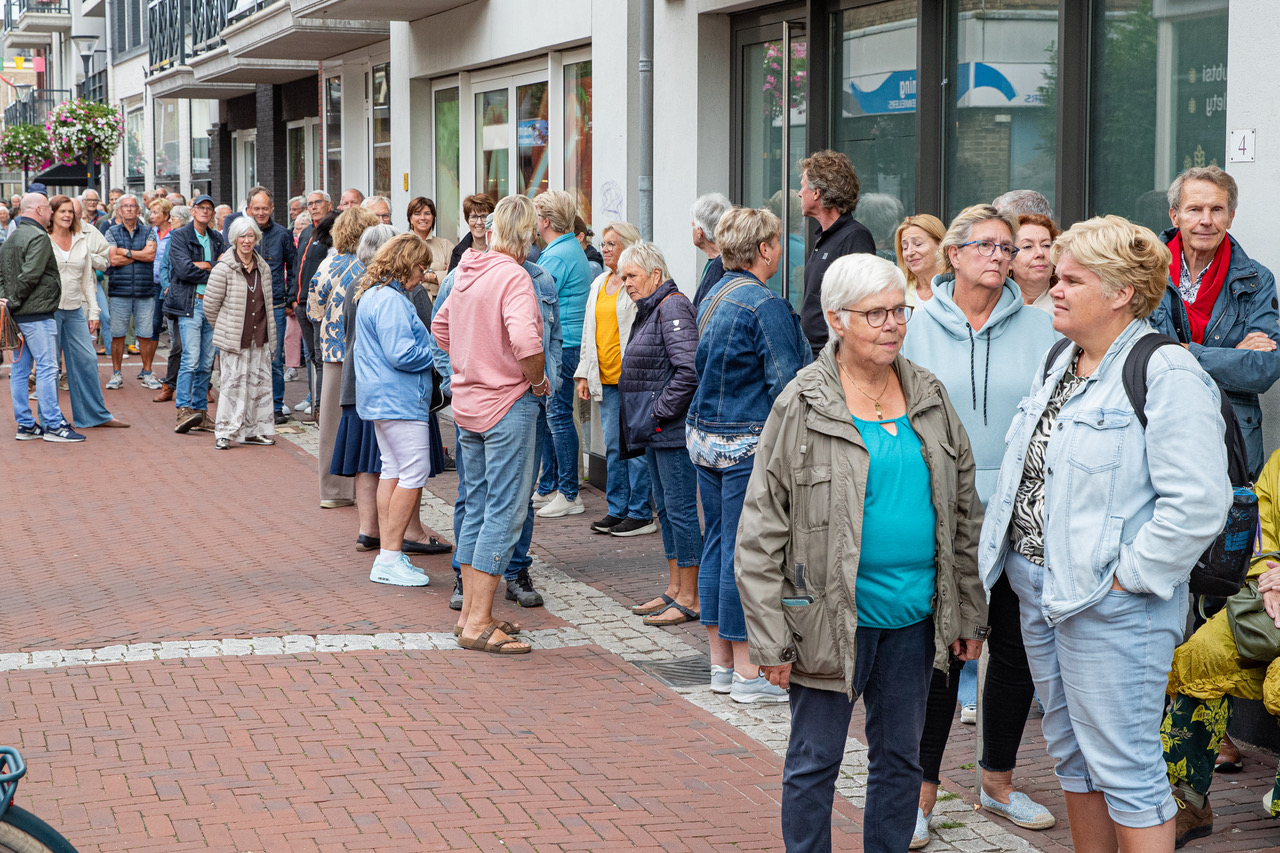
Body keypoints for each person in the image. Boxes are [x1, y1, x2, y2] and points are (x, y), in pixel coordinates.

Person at [980, 215, 1232, 851]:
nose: (1054, 289)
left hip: (1113, 606)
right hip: (1040, 591)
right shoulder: (1060, 359)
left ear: (1121, 292)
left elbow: (1199, 502)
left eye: (1072, 280)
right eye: (1056, 277)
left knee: (1126, 766)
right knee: (1071, 753)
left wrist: (1128, 578)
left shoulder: (1166, 372)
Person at [736, 251, 984, 853]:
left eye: (899, 310)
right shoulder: (802, 403)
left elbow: (963, 512)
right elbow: (761, 528)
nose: (892, 324)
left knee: (900, 759)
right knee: (814, 760)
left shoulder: (928, 394)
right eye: (875, 313)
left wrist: (968, 613)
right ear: (836, 319)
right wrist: (770, 638)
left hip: (913, 616)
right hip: (826, 619)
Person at [900, 204, 1058, 845]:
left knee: (1014, 650)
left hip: (1021, 514)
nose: (999, 256)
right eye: (985, 245)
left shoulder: (1045, 329)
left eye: (1006, 247)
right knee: (945, 652)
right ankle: (919, 796)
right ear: (954, 254)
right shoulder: (914, 328)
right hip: (943, 513)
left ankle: (998, 782)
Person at [687, 206, 811, 702]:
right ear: (763, 249)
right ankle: (748, 674)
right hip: (745, 441)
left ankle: (722, 666)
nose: (780, 249)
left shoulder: (714, 292)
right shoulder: (764, 304)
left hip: (707, 436)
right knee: (746, 553)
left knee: (718, 544)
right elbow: (787, 384)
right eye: (777, 242)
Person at [432, 195, 549, 655]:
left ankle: (469, 614)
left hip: (468, 405)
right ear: (527, 234)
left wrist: (470, 362)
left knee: (478, 506)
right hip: (506, 404)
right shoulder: (514, 276)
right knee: (505, 510)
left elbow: (440, 328)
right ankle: (478, 621)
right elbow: (526, 341)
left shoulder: (467, 268)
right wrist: (536, 381)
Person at [1162, 448, 1280, 846]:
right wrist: (1267, 577)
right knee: (1201, 656)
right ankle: (1189, 800)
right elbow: (1261, 532)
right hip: (1273, 597)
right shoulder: (1279, 461)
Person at [1151, 165, 1280, 479]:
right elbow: (1135, 356)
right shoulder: (1145, 273)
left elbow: (1265, 368)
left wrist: (1185, 352)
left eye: (1217, 210)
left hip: (1230, 442)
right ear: (1175, 216)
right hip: (1157, 429)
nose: (1206, 220)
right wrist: (1231, 355)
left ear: (1230, 217)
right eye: (1194, 209)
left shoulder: (1257, 280)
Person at [333, 223, 444, 557]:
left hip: (380, 397)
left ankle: (388, 550)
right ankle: (392, 553)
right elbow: (402, 354)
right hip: (400, 399)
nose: (423, 274)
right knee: (413, 472)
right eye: (421, 267)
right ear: (406, 263)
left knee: (391, 470)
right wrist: (438, 352)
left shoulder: (369, 292)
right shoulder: (392, 299)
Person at [616, 242, 702, 627]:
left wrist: (657, 413)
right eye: (623, 277)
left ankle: (691, 597)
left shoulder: (673, 307)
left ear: (655, 274)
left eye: (632, 276)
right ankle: (674, 589)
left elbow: (689, 370)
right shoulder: (652, 308)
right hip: (655, 431)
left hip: (670, 432)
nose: (626, 284)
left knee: (680, 511)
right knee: (666, 510)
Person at [572, 220, 652, 535]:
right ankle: (617, 509)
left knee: (636, 447)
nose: (604, 249)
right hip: (604, 380)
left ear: (628, 246)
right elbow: (587, 332)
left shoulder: (638, 284)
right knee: (614, 447)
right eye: (603, 244)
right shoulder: (599, 283)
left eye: (611, 244)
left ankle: (640, 512)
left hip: (633, 381)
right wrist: (583, 374)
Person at [1, 193, 85, 442]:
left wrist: (7, 303)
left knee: (20, 369)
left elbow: (4, 276)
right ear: (39, 210)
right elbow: (31, 275)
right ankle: (53, 424)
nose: (51, 212)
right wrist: (13, 301)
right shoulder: (38, 236)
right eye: (48, 208)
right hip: (36, 313)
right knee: (48, 367)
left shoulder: (12, 237)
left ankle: (26, 424)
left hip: (17, 315)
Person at [310, 207, 376, 508]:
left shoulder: (328, 264)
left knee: (331, 423)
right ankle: (365, 485)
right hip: (366, 350)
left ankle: (333, 491)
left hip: (334, 349)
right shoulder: (370, 266)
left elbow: (313, 309)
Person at [533, 189, 593, 519]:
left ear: (544, 221)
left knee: (557, 417)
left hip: (563, 345)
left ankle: (569, 493)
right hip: (566, 343)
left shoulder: (556, 256)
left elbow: (536, 301)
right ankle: (549, 486)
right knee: (553, 416)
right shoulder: (567, 248)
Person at [44, 195, 127, 432]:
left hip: (75, 309)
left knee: (88, 360)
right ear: (52, 214)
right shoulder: (43, 240)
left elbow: (87, 280)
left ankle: (94, 415)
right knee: (50, 365)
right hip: (49, 310)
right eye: (62, 211)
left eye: (70, 212)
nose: (67, 215)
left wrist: (94, 311)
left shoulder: (81, 239)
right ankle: (51, 420)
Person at [202, 216, 278, 449]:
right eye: (242, 236)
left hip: (260, 335)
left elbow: (268, 304)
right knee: (232, 387)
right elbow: (210, 306)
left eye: (251, 236)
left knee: (259, 386)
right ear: (234, 239)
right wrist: (225, 329)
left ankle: (256, 431)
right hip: (235, 337)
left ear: (256, 238)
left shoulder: (263, 268)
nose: (247, 241)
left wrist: (272, 339)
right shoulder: (224, 268)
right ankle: (225, 432)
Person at [225, 186, 297, 425]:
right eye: (256, 208)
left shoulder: (283, 234)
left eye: (265, 208)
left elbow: (293, 267)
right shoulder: (240, 233)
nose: (261, 212)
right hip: (244, 306)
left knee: (274, 359)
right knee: (246, 357)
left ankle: (275, 407)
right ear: (248, 208)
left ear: (272, 208)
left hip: (275, 305)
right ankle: (248, 407)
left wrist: (290, 297)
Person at [798, 149, 876, 357]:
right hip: (813, 356)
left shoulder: (855, 237)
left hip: (834, 357)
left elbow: (861, 303)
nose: (799, 193)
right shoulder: (824, 237)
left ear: (816, 192)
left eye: (802, 186)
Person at [165, 194, 228, 435]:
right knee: (190, 358)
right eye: (200, 207)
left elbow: (226, 268)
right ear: (192, 211)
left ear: (213, 214)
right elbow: (183, 270)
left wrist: (203, 264)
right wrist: (213, 265)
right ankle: (183, 409)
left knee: (206, 362)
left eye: (209, 208)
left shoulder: (217, 238)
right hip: (190, 304)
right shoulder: (180, 235)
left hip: (213, 304)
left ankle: (200, 412)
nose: (205, 211)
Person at [103, 194, 159, 390]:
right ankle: (116, 374)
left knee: (145, 334)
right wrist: (139, 254)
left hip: (145, 290)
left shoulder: (149, 231)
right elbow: (112, 260)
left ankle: (147, 373)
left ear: (138, 210)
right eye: (125, 206)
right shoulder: (111, 231)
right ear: (119, 210)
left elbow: (150, 256)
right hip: (119, 290)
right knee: (117, 334)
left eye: (132, 206)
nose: (128, 209)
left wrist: (124, 252)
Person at [294, 211, 338, 419]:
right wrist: (294, 298)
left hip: (317, 307)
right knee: (316, 359)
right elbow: (298, 267)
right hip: (307, 305)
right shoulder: (311, 238)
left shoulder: (330, 250)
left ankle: (319, 408)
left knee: (320, 360)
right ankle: (317, 405)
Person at [155, 204, 192, 402]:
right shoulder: (172, 238)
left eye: (174, 218)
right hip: (175, 299)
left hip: (193, 297)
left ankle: (204, 388)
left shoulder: (195, 237)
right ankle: (169, 385)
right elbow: (164, 267)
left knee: (198, 347)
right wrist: (167, 286)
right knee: (177, 344)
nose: (170, 221)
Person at [690, 192, 733, 309]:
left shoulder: (718, 267)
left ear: (700, 231)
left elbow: (703, 310)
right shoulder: (726, 261)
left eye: (693, 225)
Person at [1009, 213, 1058, 313]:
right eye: (1027, 246)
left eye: (1046, 245)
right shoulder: (994, 307)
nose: (1040, 253)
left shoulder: (1068, 306)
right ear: (1008, 259)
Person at [406, 196, 454, 299]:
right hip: (411, 302)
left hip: (440, 303)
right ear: (410, 219)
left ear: (433, 218)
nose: (423, 218)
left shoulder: (445, 245)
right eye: (417, 214)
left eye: (427, 213)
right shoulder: (402, 244)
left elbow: (454, 276)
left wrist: (428, 276)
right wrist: (440, 276)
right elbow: (404, 277)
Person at [893, 214, 946, 304]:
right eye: (905, 247)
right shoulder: (899, 291)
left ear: (941, 245)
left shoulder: (957, 289)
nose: (909, 252)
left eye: (918, 244)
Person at [447, 193, 495, 273]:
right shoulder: (458, 252)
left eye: (484, 216)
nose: (479, 222)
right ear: (467, 220)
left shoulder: (501, 248)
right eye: (474, 217)